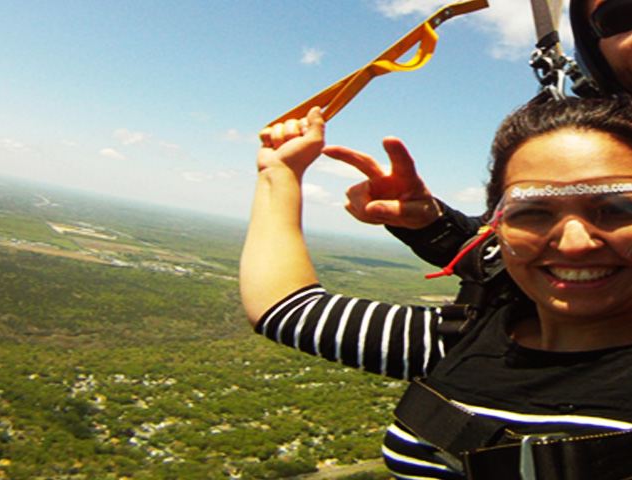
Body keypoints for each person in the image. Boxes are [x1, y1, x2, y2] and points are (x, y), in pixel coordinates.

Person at [240, 95, 632, 479]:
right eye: (532, 211)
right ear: (495, 227)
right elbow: (287, 310)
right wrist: (279, 173)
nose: (574, 243)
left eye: (619, 207)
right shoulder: (464, 339)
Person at [349, 0, 632, 271]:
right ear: (593, 49)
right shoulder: (589, 151)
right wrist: (431, 223)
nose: (576, 244)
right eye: (622, 14)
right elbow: (516, 262)